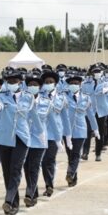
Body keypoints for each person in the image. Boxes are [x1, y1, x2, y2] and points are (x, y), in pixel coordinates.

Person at [0, 69, 34, 215]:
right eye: (9, 82)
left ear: (20, 82)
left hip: (21, 137)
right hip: (4, 137)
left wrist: (40, 136)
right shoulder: (0, 97)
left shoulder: (28, 97)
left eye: (14, 82)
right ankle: (13, 203)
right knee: (7, 171)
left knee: (16, 169)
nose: (11, 84)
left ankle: (8, 200)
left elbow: (32, 116)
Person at [62, 73, 98, 187]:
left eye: (76, 83)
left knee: (76, 153)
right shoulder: (63, 97)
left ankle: (70, 172)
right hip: (66, 131)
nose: (74, 85)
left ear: (80, 84)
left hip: (80, 130)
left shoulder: (86, 98)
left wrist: (95, 129)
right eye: (71, 83)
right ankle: (73, 178)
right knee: (70, 155)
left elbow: (91, 115)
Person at [22, 72, 51, 208]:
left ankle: (29, 194)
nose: (32, 86)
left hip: (39, 139)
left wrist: (59, 139)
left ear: (40, 87)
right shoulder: (21, 101)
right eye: (30, 85)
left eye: (35, 85)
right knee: (26, 167)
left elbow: (53, 123)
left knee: (34, 167)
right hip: (24, 138)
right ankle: (34, 192)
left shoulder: (46, 102)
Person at [40, 69, 67, 198]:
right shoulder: (39, 97)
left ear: (55, 83)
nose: (48, 83)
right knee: (42, 161)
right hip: (40, 133)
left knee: (49, 160)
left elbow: (65, 117)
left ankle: (49, 185)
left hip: (55, 133)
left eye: (51, 82)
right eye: (46, 82)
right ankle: (48, 181)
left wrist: (67, 136)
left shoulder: (61, 98)